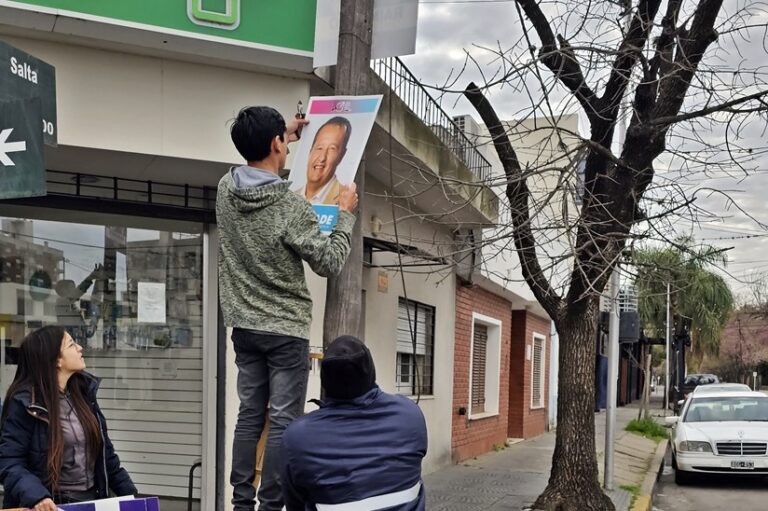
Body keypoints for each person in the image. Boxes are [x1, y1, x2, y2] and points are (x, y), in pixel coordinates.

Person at [217, 106, 358, 511]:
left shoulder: (225, 190)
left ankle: (241, 502)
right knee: (282, 421)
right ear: (276, 144)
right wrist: (345, 216)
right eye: (282, 138)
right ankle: (271, 505)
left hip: (244, 325)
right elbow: (329, 262)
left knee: (249, 416)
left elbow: (258, 159)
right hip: (285, 329)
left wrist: (286, 133)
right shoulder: (290, 207)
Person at [281, 336, 428, 511]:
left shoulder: (297, 437)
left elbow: (294, 503)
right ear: (370, 371)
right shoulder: (410, 414)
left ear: (325, 378)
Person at [0, 326, 136, 510]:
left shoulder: (83, 394)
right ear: (56, 360)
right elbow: (9, 461)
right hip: (53, 505)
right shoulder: (25, 403)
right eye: (72, 344)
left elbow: (106, 456)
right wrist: (37, 496)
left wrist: (131, 496)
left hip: (91, 500)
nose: (80, 348)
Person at [298, 116, 352, 205]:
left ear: (342, 155)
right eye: (319, 148)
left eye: (332, 149)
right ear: (310, 151)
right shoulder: (290, 196)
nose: (322, 157)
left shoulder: (345, 201)